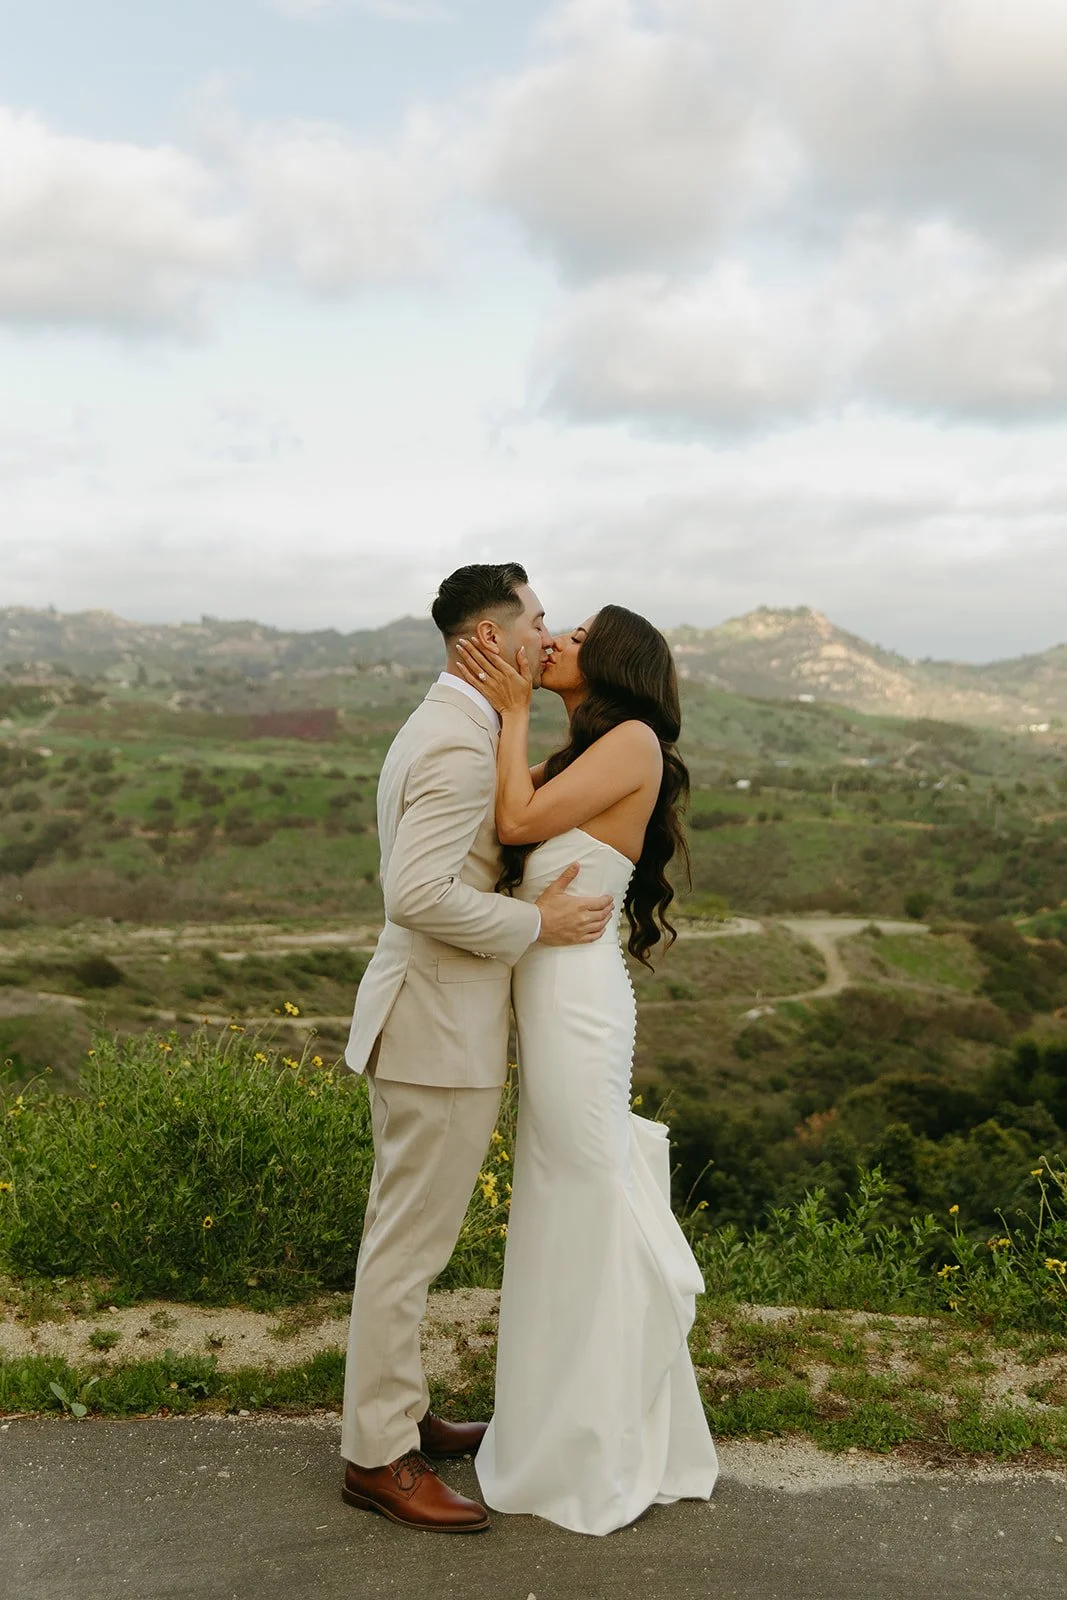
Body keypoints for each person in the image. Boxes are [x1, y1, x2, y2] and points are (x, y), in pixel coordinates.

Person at [339, 563, 614, 1534]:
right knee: (405, 1248)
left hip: (430, 1019)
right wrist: (531, 922)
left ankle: (400, 1412)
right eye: (537, 618)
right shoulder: (456, 744)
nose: (549, 631)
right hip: (433, 1027)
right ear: (492, 639)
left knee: (404, 1235)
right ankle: (377, 1455)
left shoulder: (456, 720)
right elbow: (415, 896)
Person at [453, 604, 719, 1537]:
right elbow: (501, 816)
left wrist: (513, 705)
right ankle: (557, 1422)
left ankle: (598, 1437)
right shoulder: (585, 752)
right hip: (552, 997)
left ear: (611, 661)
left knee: (584, 1195)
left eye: (573, 631)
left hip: (577, 1005)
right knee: (560, 1198)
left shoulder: (635, 738)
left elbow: (516, 817)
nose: (554, 636)